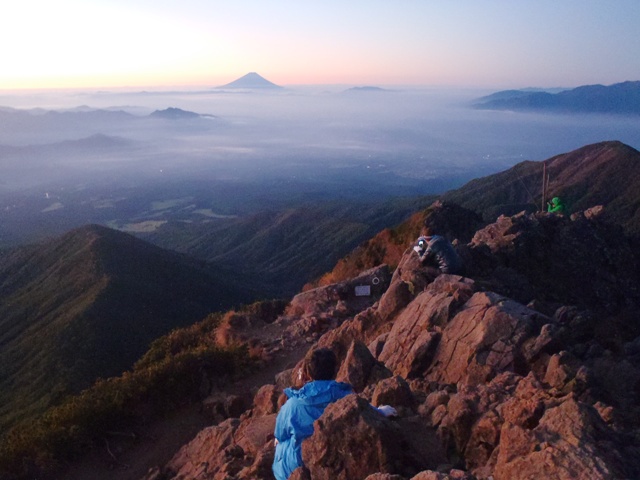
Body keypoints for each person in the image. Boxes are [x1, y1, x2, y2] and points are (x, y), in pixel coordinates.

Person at [272, 348, 396, 480]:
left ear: (310, 373)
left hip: (296, 466)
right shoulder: (344, 396)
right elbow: (363, 411)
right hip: (333, 460)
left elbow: (279, 434)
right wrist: (380, 411)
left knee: (281, 443)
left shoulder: (293, 403)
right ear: (335, 370)